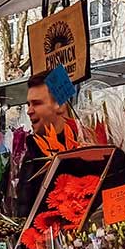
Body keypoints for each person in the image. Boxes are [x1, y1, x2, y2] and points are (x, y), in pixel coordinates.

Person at [14, 73, 77, 220]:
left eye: (36, 103)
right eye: (28, 104)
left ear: (60, 105)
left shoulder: (85, 149)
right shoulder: (32, 151)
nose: (29, 111)